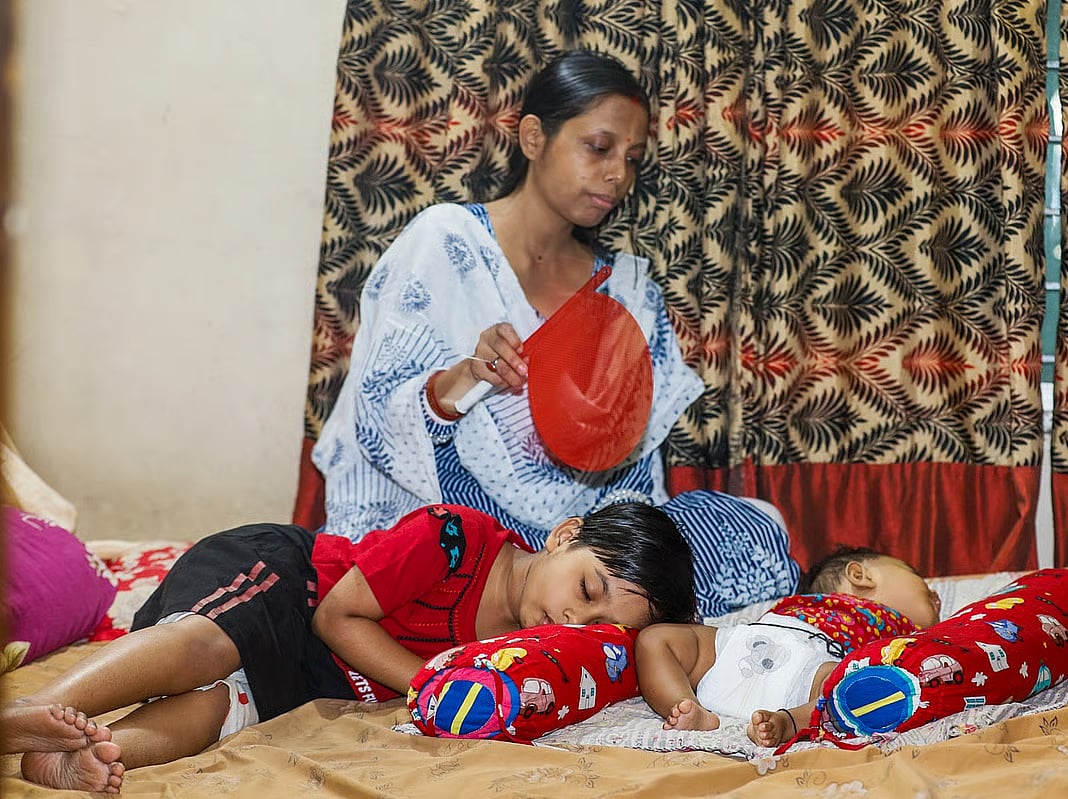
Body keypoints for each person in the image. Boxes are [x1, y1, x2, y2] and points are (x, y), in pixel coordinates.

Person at [310, 49, 798, 616]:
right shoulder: (447, 245)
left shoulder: (627, 293)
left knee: (746, 531)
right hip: (456, 534)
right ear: (534, 137)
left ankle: (580, 596)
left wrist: (611, 546)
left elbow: (635, 475)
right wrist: (466, 378)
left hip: (579, 550)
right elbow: (379, 413)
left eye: (633, 159)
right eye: (599, 147)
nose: (618, 174)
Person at [2, 501, 696, 792]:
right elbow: (340, 615)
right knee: (205, 648)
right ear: (564, 534)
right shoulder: (455, 535)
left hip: (309, 677)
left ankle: (72, 756)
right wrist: (433, 681)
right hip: (290, 584)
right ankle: (33, 708)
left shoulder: (530, 652)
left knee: (214, 712)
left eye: (599, 620)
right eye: (589, 583)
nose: (576, 611)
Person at [635, 547, 942, 747]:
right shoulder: (816, 605)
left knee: (850, 685)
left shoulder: (906, 635)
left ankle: (790, 720)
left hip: (815, 671)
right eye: (920, 581)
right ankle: (688, 707)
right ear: (859, 575)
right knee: (655, 639)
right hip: (746, 643)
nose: (934, 594)